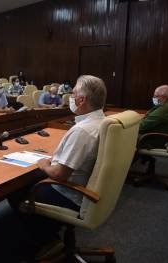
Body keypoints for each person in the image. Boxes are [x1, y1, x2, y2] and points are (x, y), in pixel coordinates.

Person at [9, 75, 107, 255]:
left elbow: (60, 174)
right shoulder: (102, 122)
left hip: (71, 193)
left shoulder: (82, 131)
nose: (70, 96)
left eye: (73, 92)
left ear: (82, 99)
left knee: (15, 188)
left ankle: (43, 239)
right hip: (91, 190)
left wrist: (44, 164)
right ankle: (48, 230)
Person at [138, 85, 168, 149]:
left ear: (164, 97)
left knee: (121, 135)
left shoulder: (165, 108)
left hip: (150, 140)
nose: (154, 98)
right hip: (152, 136)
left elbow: (142, 126)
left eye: (156, 96)